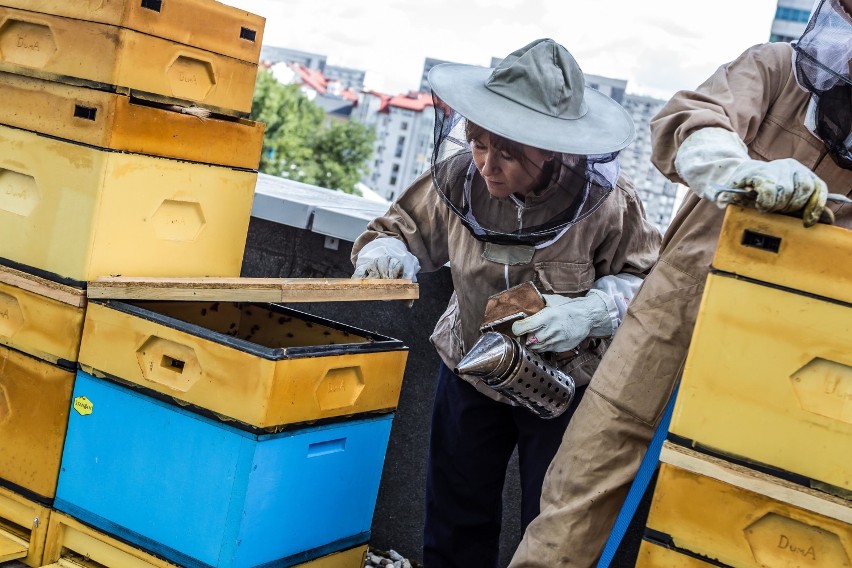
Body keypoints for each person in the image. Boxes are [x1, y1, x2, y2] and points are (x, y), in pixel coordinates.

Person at [509, 1, 852, 566]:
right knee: (573, 511)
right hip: (666, 336)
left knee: (710, 532)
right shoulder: (772, 69)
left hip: (784, 375)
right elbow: (686, 121)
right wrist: (736, 170)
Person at [350, 39, 661, 567]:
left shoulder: (609, 204)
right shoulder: (457, 179)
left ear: (553, 149)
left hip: (564, 389)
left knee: (552, 528)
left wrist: (592, 310)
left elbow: (651, 282)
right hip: (469, 370)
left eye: (508, 153)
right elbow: (397, 227)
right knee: (453, 519)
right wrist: (387, 251)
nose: (488, 165)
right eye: (477, 144)